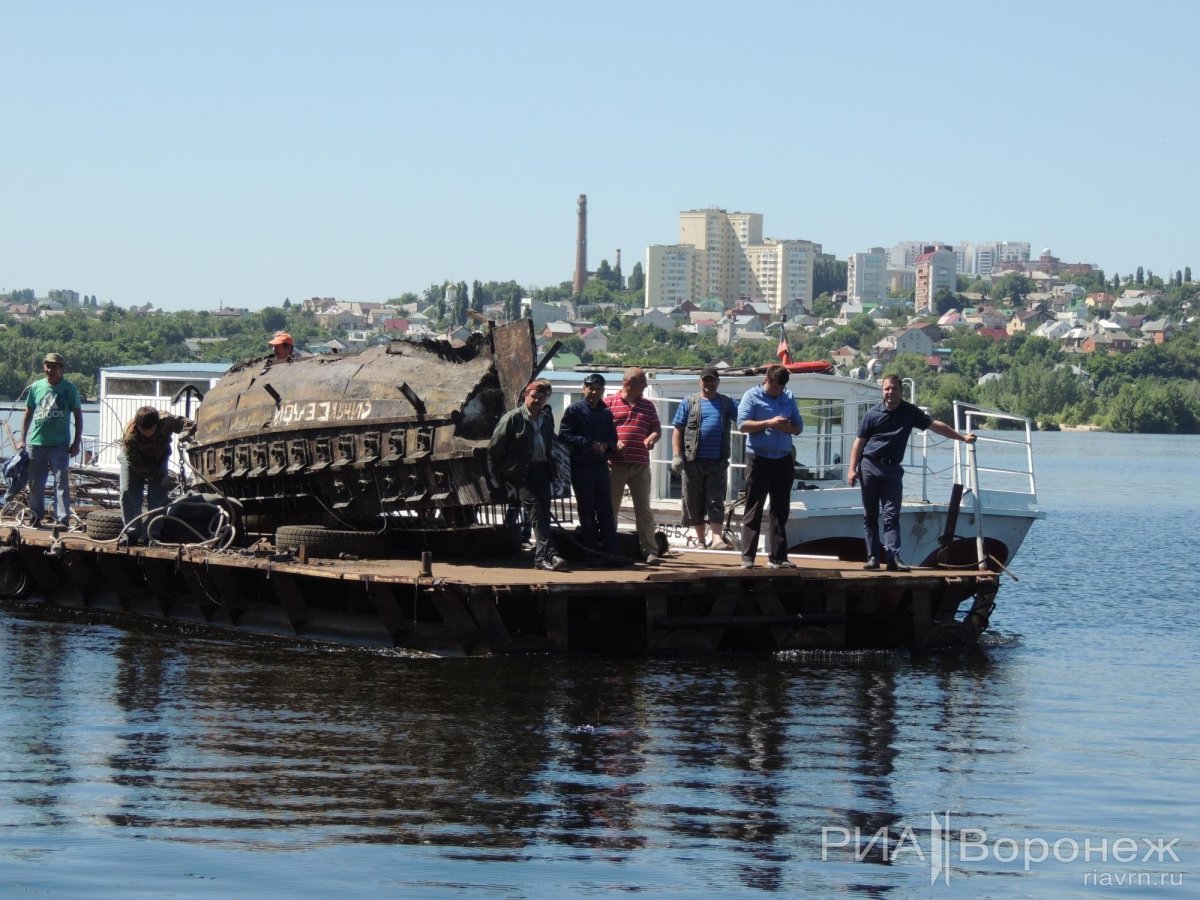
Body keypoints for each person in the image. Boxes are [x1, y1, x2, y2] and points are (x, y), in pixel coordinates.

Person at [848, 373, 976, 572]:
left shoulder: (909, 412)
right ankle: (873, 557)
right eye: (887, 389)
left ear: (901, 391)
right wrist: (852, 469)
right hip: (870, 466)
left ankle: (893, 558)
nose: (890, 393)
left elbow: (935, 426)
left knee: (892, 515)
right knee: (870, 515)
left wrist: (962, 437)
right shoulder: (873, 414)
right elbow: (859, 442)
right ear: (883, 391)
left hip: (892, 469)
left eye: (894, 389)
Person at [489, 379, 567, 572]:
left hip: (542, 471)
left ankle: (542, 557)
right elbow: (495, 448)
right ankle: (551, 555)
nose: (537, 401)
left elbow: (548, 444)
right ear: (526, 396)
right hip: (523, 473)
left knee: (543, 515)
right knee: (537, 515)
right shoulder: (512, 418)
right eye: (534, 397)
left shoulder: (547, 418)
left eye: (541, 398)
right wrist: (507, 470)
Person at [736, 364, 803, 569]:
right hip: (758, 458)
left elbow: (799, 427)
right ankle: (748, 557)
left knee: (780, 510)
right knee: (754, 508)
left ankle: (779, 557)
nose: (777, 391)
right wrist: (768, 423)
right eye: (774, 387)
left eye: (780, 388)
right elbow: (742, 425)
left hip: (783, 459)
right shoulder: (751, 396)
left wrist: (787, 427)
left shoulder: (788, 397)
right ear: (766, 380)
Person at [671, 366, 738, 549]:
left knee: (716, 500)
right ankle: (700, 540)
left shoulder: (727, 403)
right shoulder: (688, 402)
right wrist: (676, 456)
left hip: (717, 461)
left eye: (712, 380)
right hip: (692, 461)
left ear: (718, 382)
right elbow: (678, 430)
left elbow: (744, 417)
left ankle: (717, 538)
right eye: (705, 380)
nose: (709, 383)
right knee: (694, 500)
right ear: (700, 381)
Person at [558, 373, 621, 561]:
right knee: (587, 511)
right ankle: (591, 553)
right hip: (582, 467)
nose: (594, 392)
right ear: (583, 388)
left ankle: (612, 552)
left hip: (600, 467)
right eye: (590, 388)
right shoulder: (574, 410)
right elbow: (564, 435)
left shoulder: (606, 412)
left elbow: (613, 437)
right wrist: (588, 443)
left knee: (606, 511)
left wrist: (606, 445)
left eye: (598, 389)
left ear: (602, 391)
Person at [17, 352, 84, 527]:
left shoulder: (69, 389)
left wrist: (76, 442)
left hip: (60, 445)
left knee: (61, 483)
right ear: (43, 367)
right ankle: (36, 516)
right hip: (37, 443)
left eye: (54, 366)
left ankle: (62, 519)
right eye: (47, 366)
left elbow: (78, 415)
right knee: (35, 483)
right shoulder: (36, 387)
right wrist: (22, 438)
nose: (50, 369)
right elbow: (28, 412)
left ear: (61, 369)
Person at [605, 367, 662, 566]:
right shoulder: (609, 403)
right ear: (629, 383)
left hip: (640, 464)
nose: (646, 386)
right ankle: (609, 550)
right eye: (642, 382)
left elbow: (656, 428)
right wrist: (613, 443)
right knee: (610, 507)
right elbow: (602, 430)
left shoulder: (647, 406)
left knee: (643, 508)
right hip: (615, 464)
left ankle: (650, 551)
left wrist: (652, 437)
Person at [120, 406, 196, 543]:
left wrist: (186, 432)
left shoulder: (166, 421)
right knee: (128, 492)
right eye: (143, 432)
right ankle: (130, 534)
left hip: (158, 458)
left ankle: (151, 534)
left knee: (158, 497)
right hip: (134, 462)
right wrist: (159, 476)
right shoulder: (130, 435)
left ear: (157, 424)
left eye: (151, 431)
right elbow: (137, 464)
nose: (147, 435)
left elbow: (189, 423)